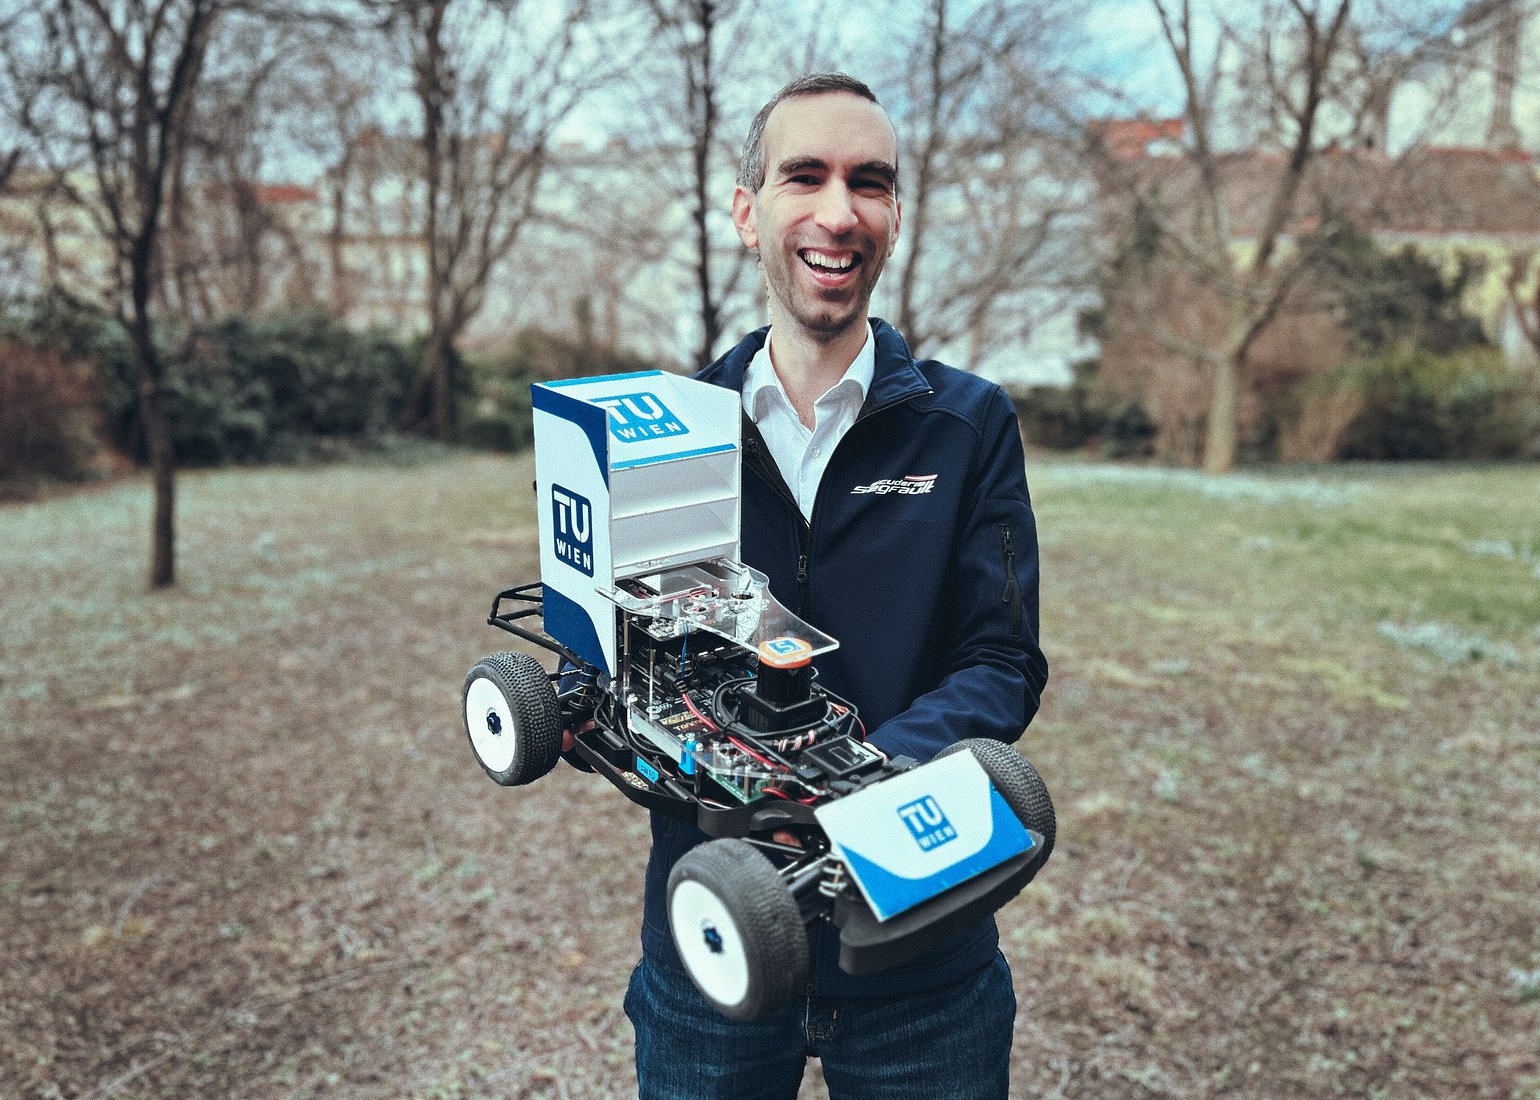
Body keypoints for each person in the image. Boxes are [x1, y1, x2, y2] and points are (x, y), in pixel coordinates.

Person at [619, 73, 1049, 1099]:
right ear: (745, 210)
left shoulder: (964, 423)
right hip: (711, 936)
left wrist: (854, 772)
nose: (838, 211)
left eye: (870, 183)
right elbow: (624, 649)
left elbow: (1000, 659)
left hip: (922, 955)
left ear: (893, 217)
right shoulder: (663, 433)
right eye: (802, 175)